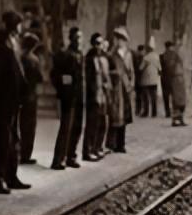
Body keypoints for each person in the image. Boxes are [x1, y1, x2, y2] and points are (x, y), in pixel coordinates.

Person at [0, 11, 29, 193]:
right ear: (13, 28)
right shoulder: (1, 52)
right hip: (1, 107)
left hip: (11, 105)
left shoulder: (12, 48)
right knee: (2, 142)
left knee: (13, 141)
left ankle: (11, 176)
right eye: (19, 24)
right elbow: (1, 81)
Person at [51, 27, 85, 170]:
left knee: (77, 127)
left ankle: (71, 156)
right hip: (69, 97)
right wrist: (66, 85)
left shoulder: (80, 54)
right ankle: (58, 160)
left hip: (79, 95)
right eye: (77, 38)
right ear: (72, 39)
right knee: (66, 128)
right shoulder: (64, 55)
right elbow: (55, 75)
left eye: (81, 38)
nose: (80, 41)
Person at [83, 32, 111, 161]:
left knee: (102, 123)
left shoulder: (102, 58)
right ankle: (88, 150)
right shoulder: (90, 58)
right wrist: (93, 93)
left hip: (102, 94)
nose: (99, 46)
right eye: (97, 43)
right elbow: (89, 79)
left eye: (100, 43)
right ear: (93, 44)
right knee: (92, 124)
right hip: (94, 95)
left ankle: (97, 147)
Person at [107, 27, 134, 152]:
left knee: (124, 117)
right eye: (118, 39)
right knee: (115, 116)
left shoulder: (128, 54)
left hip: (125, 87)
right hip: (115, 88)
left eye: (122, 39)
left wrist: (131, 84)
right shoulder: (112, 55)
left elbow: (131, 71)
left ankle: (121, 144)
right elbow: (108, 71)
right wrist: (114, 74)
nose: (119, 42)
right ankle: (111, 143)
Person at [18, 32, 43, 165]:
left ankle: (20, 153)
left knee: (22, 125)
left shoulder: (20, 57)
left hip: (21, 95)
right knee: (30, 126)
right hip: (31, 95)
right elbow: (40, 77)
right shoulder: (34, 59)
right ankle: (26, 154)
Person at [140, 39, 161, 117]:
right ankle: (154, 112)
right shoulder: (157, 57)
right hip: (154, 80)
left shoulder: (146, 57)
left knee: (145, 97)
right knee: (153, 97)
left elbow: (141, 67)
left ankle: (146, 112)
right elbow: (160, 68)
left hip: (146, 80)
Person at [169, 40, 187, 126]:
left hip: (181, 80)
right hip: (176, 80)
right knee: (176, 101)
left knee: (182, 102)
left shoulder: (180, 60)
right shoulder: (173, 58)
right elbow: (171, 69)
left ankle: (181, 119)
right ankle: (175, 120)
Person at [160, 41, 177, 117]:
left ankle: (167, 112)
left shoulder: (162, 56)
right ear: (171, 46)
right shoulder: (175, 55)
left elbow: (159, 69)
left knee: (165, 96)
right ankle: (175, 111)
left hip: (164, 79)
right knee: (174, 95)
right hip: (173, 78)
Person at [133, 44, 146, 117]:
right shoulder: (143, 58)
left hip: (137, 79)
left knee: (138, 96)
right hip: (141, 79)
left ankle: (137, 110)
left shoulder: (135, 58)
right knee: (141, 96)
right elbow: (141, 68)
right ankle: (140, 110)